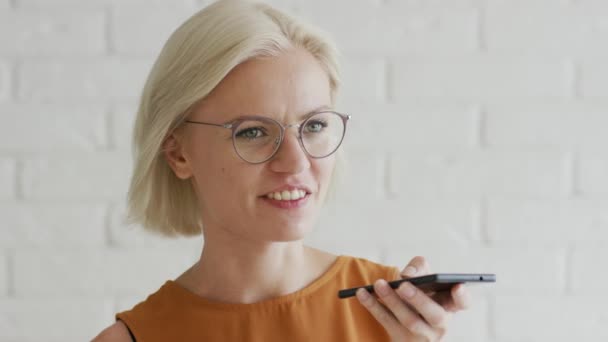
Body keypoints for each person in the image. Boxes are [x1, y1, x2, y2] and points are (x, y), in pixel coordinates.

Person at [93, 0, 469, 341]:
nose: (296, 162)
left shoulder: (395, 316)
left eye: (314, 126)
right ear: (178, 155)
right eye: (253, 132)